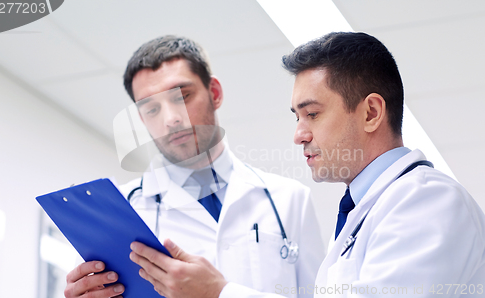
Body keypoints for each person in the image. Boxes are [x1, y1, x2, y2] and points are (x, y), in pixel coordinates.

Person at [128, 32, 485, 298]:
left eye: (312, 114)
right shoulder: (363, 213)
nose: (299, 135)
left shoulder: (427, 201)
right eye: (297, 117)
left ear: (371, 112)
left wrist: (220, 293)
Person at [63, 35, 324, 298]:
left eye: (182, 97)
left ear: (215, 93)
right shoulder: (119, 214)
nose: (171, 119)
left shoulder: (289, 201)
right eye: (152, 109)